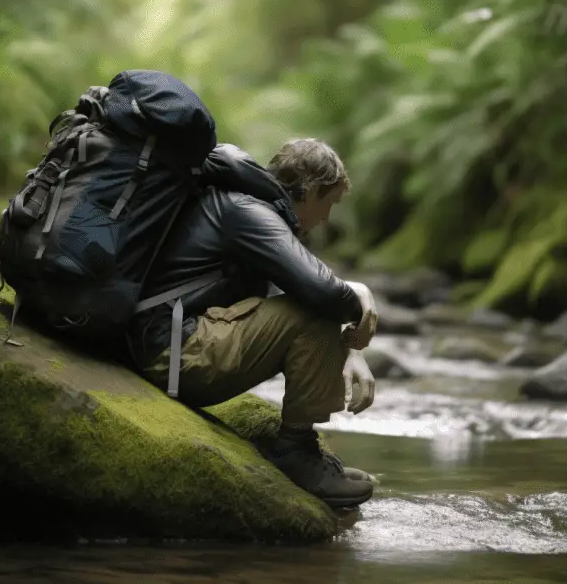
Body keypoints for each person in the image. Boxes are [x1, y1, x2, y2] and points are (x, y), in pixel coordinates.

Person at [127, 138, 380, 508]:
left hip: (164, 344)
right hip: (173, 354)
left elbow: (303, 286)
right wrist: (362, 295)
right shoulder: (248, 212)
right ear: (309, 192)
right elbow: (323, 293)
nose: (326, 217)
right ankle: (295, 449)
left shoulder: (246, 208)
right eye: (329, 203)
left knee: (316, 303)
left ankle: (301, 449)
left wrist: (352, 351)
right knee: (314, 309)